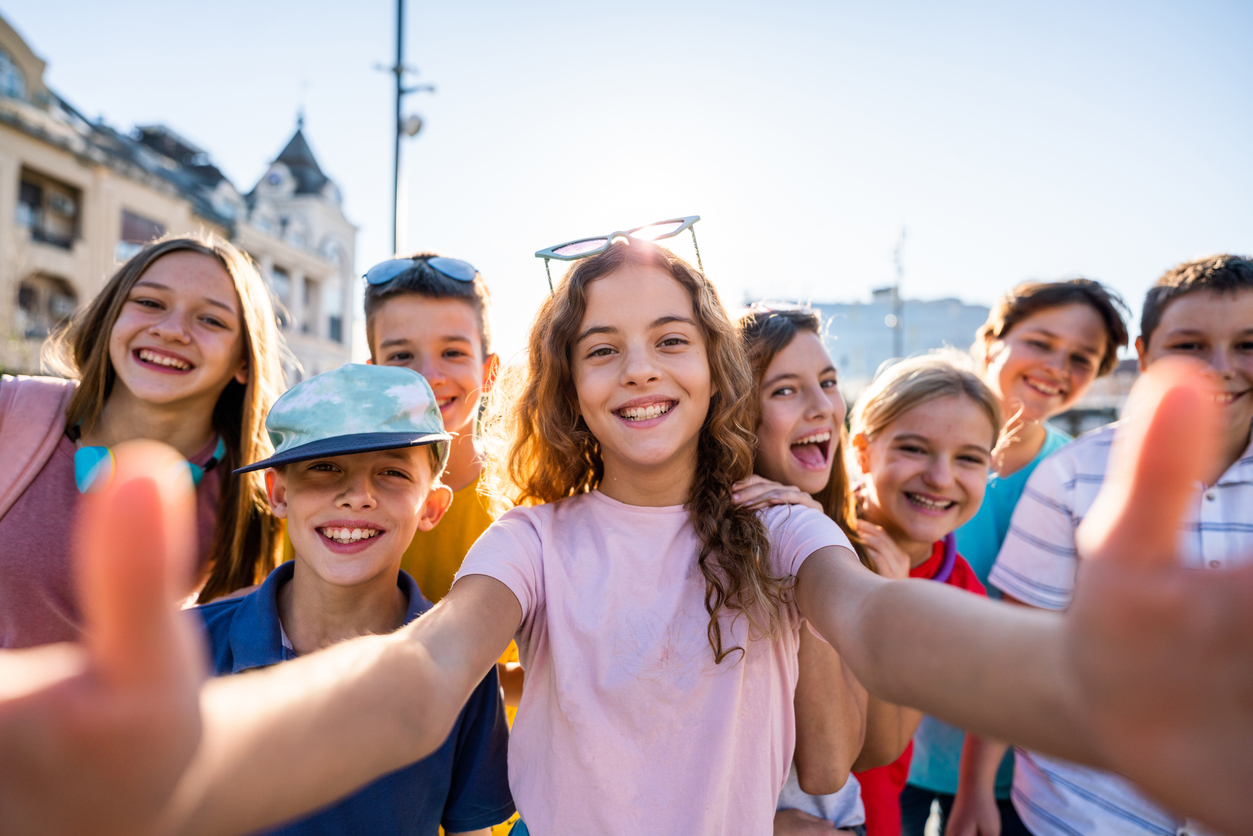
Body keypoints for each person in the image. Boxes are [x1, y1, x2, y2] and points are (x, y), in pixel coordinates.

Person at [5, 249, 1253, 836]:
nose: (638, 367)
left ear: (713, 368)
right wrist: (207, 744)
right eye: (601, 346)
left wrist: (1062, 677)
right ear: (564, 379)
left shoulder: (771, 522)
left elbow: (879, 623)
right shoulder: (534, 537)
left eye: (669, 338)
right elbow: (426, 673)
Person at [947, 254, 1253, 836]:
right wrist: (975, 787)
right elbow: (1021, 651)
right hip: (1073, 809)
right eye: (1190, 345)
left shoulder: (1054, 460)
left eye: (1248, 344)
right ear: (1146, 354)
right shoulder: (1070, 476)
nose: (1220, 367)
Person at [198, 364, 513, 835]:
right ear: (279, 493)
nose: (357, 496)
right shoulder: (184, 647)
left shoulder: (463, 662)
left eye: (392, 472)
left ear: (431, 506)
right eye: (325, 468)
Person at [901, 280, 1130, 836]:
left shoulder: (1082, 479)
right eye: (1041, 342)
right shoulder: (906, 448)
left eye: (1081, 358)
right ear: (990, 340)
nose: (1057, 367)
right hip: (894, 746)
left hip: (1015, 771)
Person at [0, 234, 286, 648]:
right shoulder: (9, 409)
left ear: (244, 361)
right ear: (111, 317)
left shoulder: (256, 495)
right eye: (150, 302)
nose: (171, 331)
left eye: (211, 320)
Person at [843, 355, 1003, 836]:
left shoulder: (961, 595)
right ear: (863, 452)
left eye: (968, 458)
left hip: (873, 816)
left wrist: (893, 606)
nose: (940, 477)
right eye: (914, 449)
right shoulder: (804, 533)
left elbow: (881, 746)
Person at [735, 305, 871, 836]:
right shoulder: (692, 544)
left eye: (829, 383)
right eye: (786, 390)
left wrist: (811, 542)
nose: (823, 407)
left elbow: (833, 765)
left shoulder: (844, 542)